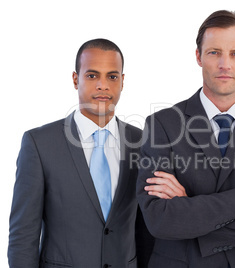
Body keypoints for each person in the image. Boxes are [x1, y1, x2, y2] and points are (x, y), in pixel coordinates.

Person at [136, 10, 235, 268]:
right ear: (198, 57)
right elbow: (159, 219)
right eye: (214, 52)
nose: (225, 64)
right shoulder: (162, 125)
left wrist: (190, 212)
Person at [8, 38, 153, 268]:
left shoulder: (142, 141)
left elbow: (147, 230)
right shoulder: (40, 144)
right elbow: (23, 236)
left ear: (123, 81)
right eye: (92, 75)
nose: (103, 85)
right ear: (76, 79)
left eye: (112, 77)